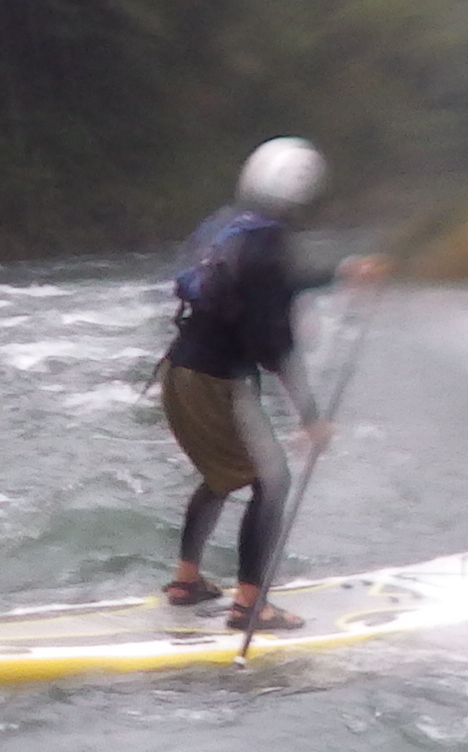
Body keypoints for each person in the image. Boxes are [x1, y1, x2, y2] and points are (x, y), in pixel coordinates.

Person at [161, 137, 386, 633]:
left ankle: (186, 582)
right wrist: (312, 418)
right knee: (273, 480)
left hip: (180, 373)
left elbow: (269, 283)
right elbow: (274, 346)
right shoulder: (269, 243)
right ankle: (249, 607)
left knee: (220, 476)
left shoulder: (226, 225)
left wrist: (342, 273)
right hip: (219, 382)